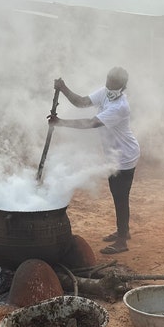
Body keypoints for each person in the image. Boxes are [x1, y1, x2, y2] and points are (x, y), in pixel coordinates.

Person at [48, 66, 140, 254]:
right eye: (108, 78)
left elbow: (91, 123)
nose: (108, 83)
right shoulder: (106, 93)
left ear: (121, 85)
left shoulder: (120, 106)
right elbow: (82, 102)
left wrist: (61, 123)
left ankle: (122, 240)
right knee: (119, 195)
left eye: (112, 81)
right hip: (115, 154)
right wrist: (64, 88)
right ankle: (124, 231)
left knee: (120, 196)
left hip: (125, 157)